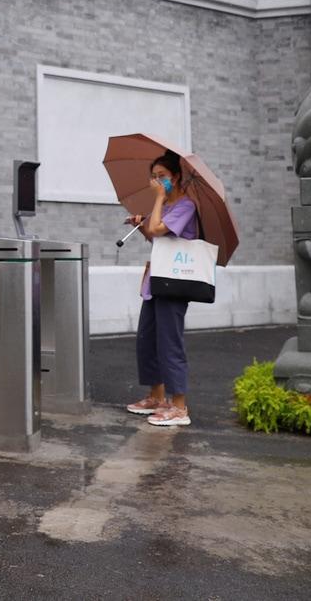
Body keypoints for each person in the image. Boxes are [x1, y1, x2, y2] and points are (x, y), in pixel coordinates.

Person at [124, 150, 199, 427]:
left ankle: (179, 406)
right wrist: (140, 226)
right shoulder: (167, 207)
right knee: (147, 339)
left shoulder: (186, 206)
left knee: (170, 342)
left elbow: (157, 230)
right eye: (153, 177)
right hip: (156, 281)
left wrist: (156, 203)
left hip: (174, 283)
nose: (157, 182)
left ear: (176, 177)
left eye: (162, 177)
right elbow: (154, 236)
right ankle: (156, 396)